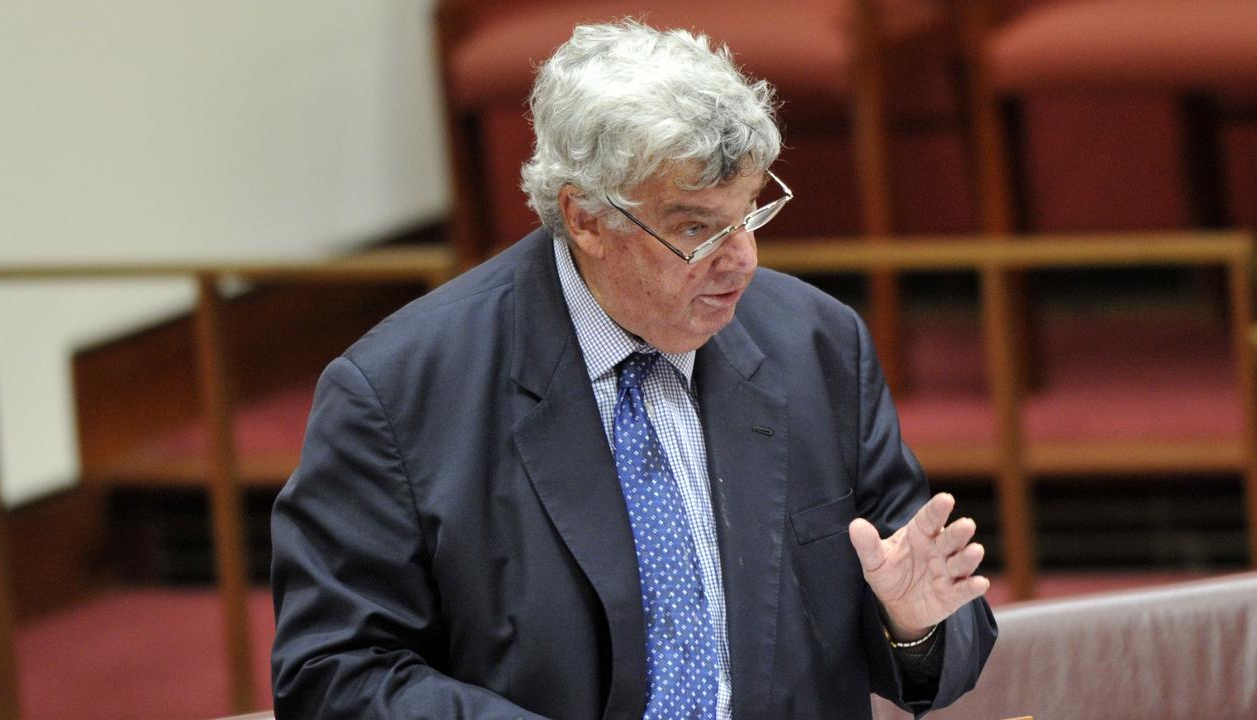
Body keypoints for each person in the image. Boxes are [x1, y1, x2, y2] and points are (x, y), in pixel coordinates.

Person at [270, 20, 995, 720]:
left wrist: (911, 622)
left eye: (747, 215)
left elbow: (936, 621)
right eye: (695, 227)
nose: (741, 259)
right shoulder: (397, 396)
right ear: (585, 218)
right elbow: (334, 673)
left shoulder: (817, 345)